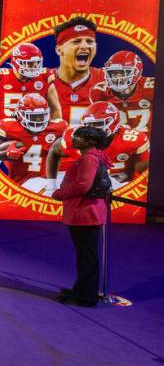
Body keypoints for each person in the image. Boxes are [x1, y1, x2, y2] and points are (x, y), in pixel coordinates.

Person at [51, 126, 112, 307]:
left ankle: (85, 297)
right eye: (76, 135)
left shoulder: (89, 159)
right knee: (85, 255)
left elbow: (83, 186)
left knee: (87, 256)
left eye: (81, 137)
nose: (75, 138)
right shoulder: (92, 157)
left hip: (85, 212)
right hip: (87, 211)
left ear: (92, 141)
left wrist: (59, 193)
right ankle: (81, 289)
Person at [0, 93, 67, 186]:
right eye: (33, 116)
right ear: (20, 114)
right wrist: (5, 154)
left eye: (41, 116)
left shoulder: (57, 128)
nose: (37, 120)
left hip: (48, 179)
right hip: (22, 183)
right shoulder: (10, 128)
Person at [50, 16, 104, 126]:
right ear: (59, 49)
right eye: (76, 41)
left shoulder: (106, 78)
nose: (84, 46)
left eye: (89, 41)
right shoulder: (42, 80)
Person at [90, 50, 154, 134]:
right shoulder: (99, 92)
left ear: (136, 72)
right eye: (113, 73)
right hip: (119, 143)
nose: (117, 78)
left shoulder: (150, 88)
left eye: (122, 73)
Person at [0, 42, 62, 121]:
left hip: (34, 129)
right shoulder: (1, 77)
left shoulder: (44, 77)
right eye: (30, 63)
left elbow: (55, 109)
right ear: (16, 62)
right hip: (5, 128)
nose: (34, 67)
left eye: (37, 63)